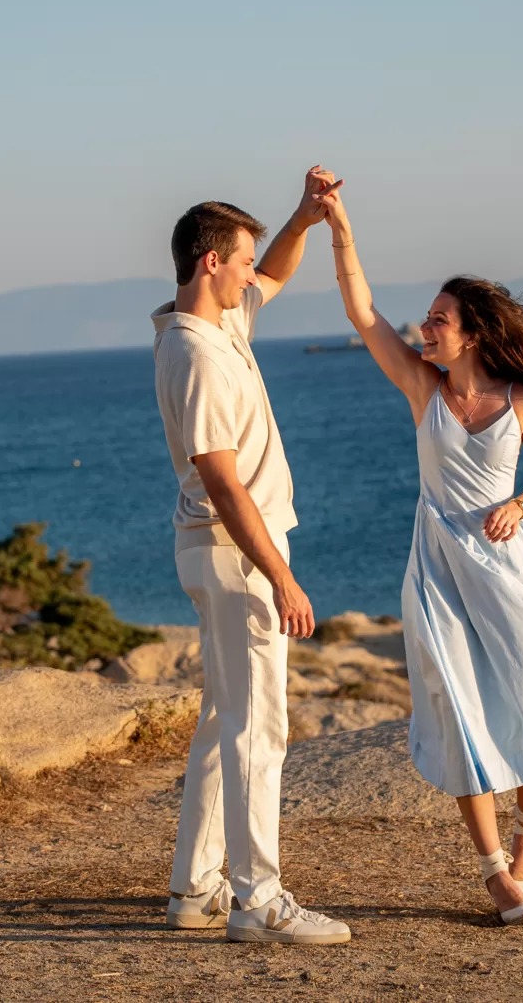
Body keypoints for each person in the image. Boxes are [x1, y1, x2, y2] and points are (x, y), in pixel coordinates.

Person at [314, 183, 523, 927]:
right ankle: (495, 873)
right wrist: (338, 226)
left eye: (438, 319)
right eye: (426, 319)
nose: (423, 327)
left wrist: (517, 505)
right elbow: (360, 311)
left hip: (508, 565)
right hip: (434, 567)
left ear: (471, 333)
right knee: (460, 709)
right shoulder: (419, 388)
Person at [151, 168, 351, 946]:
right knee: (257, 730)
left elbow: (274, 271)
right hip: (234, 552)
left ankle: (191, 888)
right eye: (239, 260)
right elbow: (224, 482)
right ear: (209, 262)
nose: (251, 274)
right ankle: (257, 900)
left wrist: (303, 217)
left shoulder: (210, 325)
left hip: (213, 552)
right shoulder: (197, 354)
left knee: (221, 720)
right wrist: (281, 573)